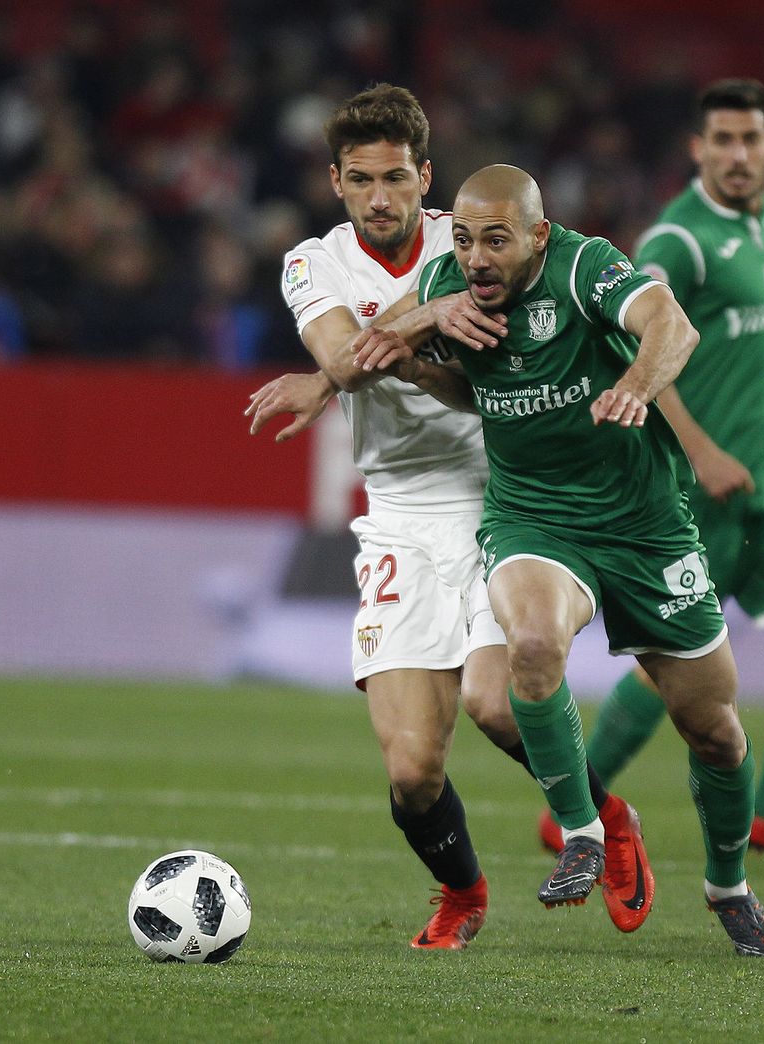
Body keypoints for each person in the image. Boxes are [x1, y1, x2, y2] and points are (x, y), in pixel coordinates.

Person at [244, 84, 653, 949]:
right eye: (362, 181)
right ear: (337, 183)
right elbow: (346, 356)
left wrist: (396, 334)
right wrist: (409, 327)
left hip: (499, 494)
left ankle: (607, 821)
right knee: (411, 771)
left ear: (424, 176)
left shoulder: (470, 240)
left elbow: (417, 349)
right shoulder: (312, 264)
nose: (382, 198)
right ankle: (463, 892)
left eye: (397, 178)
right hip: (395, 514)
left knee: (497, 707)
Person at [355, 163, 764, 957]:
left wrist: (633, 382)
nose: (477, 258)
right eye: (463, 239)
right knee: (530, 643)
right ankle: (584, 831)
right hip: (534, 515)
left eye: (496, 240)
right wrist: (427, 337)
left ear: (538, 234)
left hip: (648, 526)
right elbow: (387, 344)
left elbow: (674, 327)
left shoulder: (587, 265)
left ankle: (728, 885)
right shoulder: (450, 281)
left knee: (716, 732)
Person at [555, 79, 764, 876]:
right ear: (697, 150)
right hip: (696, 488)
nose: (736, 154)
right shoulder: (678, 242)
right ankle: (577, 807)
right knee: (678, 675)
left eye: (749, 139)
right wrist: (697, 450)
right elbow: (640, 343)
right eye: (720, 140)